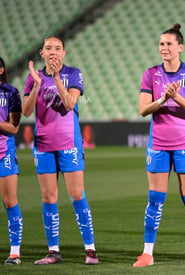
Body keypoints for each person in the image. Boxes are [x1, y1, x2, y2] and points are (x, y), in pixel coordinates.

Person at [133, 23, 185, 267]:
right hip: (158, 144)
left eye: (169, 44)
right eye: (161, 43)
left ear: (180, 47)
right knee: (155, 199)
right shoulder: (150, 74)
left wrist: (177, 97)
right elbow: (143, 109)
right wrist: (163, 98)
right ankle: (147, 254)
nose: (164, 48)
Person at [21, 36, 99, 265]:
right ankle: (53, 251)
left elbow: (70, 104)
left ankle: (90, 249)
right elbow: (26, 112)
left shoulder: (73, 74)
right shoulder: (32, 78)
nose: (53, 52)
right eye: (48, 48)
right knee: (48, 197)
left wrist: (55, 78)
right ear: (42, 53)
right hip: (44, 145)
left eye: (57, 48)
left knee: (77, 195)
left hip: (69, 144)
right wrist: (36, 85)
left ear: (63, 53)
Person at [0, 57, 23, 265]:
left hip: (3, 152)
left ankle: (15, 252)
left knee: (10, 201)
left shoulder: (11, 92)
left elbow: (14, 127)